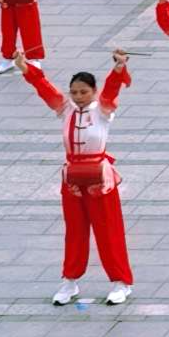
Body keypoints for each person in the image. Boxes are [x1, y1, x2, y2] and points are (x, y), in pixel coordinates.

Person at [22, 52, 135, 308]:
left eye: (84, 91)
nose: (78, 96)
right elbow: (43, 87)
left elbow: (113, 87)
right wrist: (25, 68)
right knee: (74, 231)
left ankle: (121, 281)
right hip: (72, 179)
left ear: (93, 91)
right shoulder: (65, 109)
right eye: (74, 92)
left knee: (108, 230)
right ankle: (70, 279)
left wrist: (119, 66)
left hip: (100, 179)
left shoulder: (103, 109)